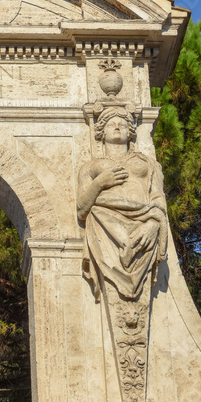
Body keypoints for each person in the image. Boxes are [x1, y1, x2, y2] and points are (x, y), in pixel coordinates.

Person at [76, 106, 167, 302]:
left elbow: (158, 198)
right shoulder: (90, 167)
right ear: (102, 131)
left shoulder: (148, 163)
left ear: (130, 131)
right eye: (111, 124)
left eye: (123, 124)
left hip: (144, 224)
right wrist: (100, 182)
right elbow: (82, 209)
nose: (117, 127)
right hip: (105, 224)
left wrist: (152, 224)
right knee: (96, 210)